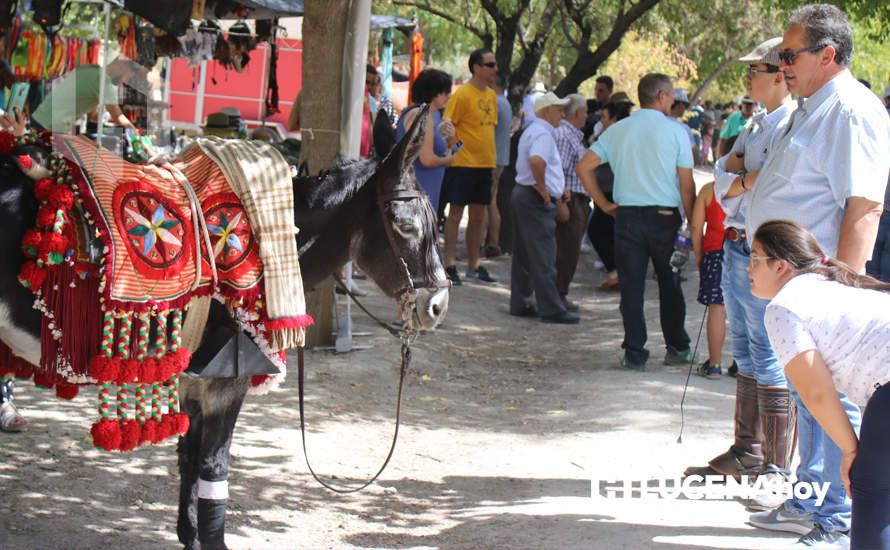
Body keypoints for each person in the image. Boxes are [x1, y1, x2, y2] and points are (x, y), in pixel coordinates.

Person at [744, 5, 890, 546]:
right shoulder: (812, 106)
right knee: (809, 397)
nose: (782, 66)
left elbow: (864, 208)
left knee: (830, 398)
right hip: (793, 283)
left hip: (818, 293)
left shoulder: (850, 110)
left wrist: (839, 294)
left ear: (827, 55)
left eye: (790, 54)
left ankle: (835, 519)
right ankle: (814, 500)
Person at [683, 37, 797, 505]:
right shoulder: (755, 123)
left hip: (759, 247)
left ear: (778, 75)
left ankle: (774, 464)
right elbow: (721, 176)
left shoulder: (787, 123)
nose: (747, 77)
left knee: (767, 354)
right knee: (747, 352)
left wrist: (739, 178)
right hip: (736, 246)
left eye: (756, 69)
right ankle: (748, 450)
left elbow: (754, 178)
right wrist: (739, 177)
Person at [750, 219, 890, 550]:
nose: (748, 268)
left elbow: (817, 394)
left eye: (754, 258)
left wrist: (851, 451)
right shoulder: (832, 284)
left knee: (872, 488)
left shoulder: (783, 307)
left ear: (780, 265)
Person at [577, 73, 695, 371]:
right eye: (670, 95)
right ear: (662, 97)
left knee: (631, 286)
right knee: (670, 283)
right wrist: (694, 222)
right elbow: (686, 184)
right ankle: (677, 346)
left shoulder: (618, 130)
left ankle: (634, 351)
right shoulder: (676, 132)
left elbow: (584, 166)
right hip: (664, 218)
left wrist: (603, 205)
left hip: (626, 216)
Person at [509, 92, 579, 324]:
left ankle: (521, 302)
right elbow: (537, 161)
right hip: (533, 197)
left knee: (524, 254)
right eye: (558, 109)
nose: (562, 113)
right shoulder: (543, 134)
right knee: (544, 255)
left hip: (524, 194)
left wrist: (550, 188)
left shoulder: (534, 130)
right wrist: (543, 189)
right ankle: (551, 308)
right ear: (546, 111)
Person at [442, 48, 499, 285]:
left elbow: (489, 128)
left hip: (485, 164)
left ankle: (474, 265)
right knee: (455, 214)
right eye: (490, 64)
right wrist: (451, 147)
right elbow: (447, 125)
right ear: (476, 67)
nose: (495, 69)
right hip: (463, 163)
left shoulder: (492, 96)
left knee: (479, 216)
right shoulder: (462, 94)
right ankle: (449, 265)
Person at [395, 68, 456, 213]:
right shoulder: (424, 116)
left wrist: (445, 138)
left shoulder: (415, 112)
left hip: (415, 187)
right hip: (420, 188)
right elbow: (427, 159)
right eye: (446, 92)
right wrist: (448, 159)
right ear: (434, 93)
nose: (449, 95)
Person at [587, 99, 632, 290]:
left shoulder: (612, 137)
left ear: (614, 118)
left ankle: (618, 271)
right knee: (608, 232)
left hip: (610, 191)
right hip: (611, 189)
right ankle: (619, 271)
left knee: (597, 231)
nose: (602, 120)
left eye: (605, 117)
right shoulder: (623, 135)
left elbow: (589, 163)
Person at [30, 58, 141, 133]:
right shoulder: (104, 81)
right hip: (50, 126)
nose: (126, 82)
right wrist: (139, 139)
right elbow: (119, 117)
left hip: (41, 118)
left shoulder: (91, 70)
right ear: (121, 67)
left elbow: (93, 114)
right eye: (128, 77)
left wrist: (108, 124)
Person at [689, 181, 730, 379]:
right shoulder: (754, 185)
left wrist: (699, 254)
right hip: (749, 253)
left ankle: (714, 364)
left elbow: (696, 226)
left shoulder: (709, 190)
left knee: (717, 308)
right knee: (747, 309)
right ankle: (744, 364)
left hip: (715, 252)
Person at [553, 93, 589, 311]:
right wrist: (561, 203)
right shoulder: (565, 135)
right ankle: (557, 294)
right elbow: (559, 171)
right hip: (570, 199)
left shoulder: (573, 135)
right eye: (584, 112)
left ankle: (559, 292)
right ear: (577, 113)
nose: (586, 116)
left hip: (577, 199)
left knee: (570, 249)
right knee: (566, 250)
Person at [483, 73, 511, 259]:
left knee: (486, 203)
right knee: (490, 201)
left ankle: (486, 244)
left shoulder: (496, 103)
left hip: (491, 159)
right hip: (499, 158)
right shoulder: (505, 103)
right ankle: (491, 243)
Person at [582, 75, 613, 141]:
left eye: (601, 91)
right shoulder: (589, 104)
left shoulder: (615, 108)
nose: (597, 93)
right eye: (595, 90)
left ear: (610, 91)